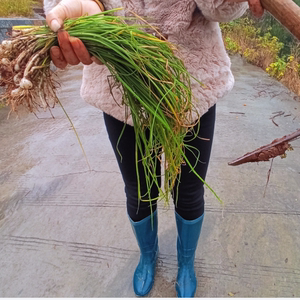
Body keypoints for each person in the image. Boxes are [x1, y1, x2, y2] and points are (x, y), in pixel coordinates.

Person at [44, 0, 264, 297]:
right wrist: (86, 6)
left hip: (190, 87)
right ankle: (149, 256)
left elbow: (218, 8)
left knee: (189, 189)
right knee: (139, 189)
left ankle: (185, 263)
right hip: (119, 86)